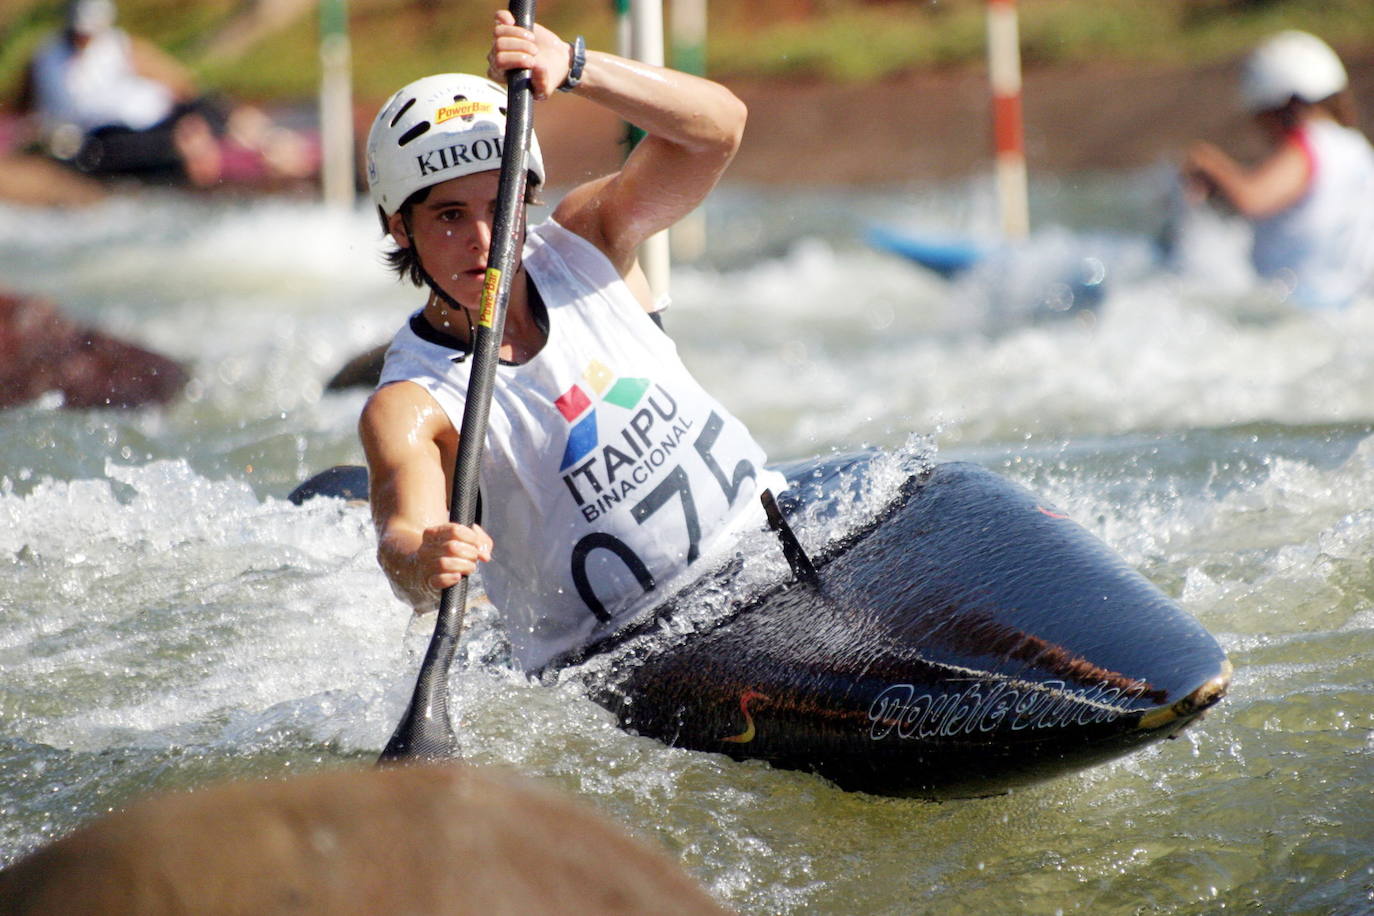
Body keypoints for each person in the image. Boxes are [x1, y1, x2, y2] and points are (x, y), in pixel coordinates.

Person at [359, 10, 786, 674]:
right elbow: (402, 537)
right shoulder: (412, 400)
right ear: (400, 229)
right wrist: (425, 561)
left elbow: (718, 128)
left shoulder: (589, 240)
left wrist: (578, 66)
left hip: (768, 547)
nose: (482, 237)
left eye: (499, 205)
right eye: (448, 215)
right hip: (632, 657)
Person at [15, 0, 313, 187]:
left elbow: (181, 83)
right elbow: (25, 107)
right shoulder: (43, 56)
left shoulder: (121, 46)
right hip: (103, 138)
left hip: (159, 119)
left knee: (210, 112)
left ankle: (274, 145)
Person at [1181, 30, 1374, 310]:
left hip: (1305, 304)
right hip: (1352, 302)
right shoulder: (1358, 149)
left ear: (1275, 107)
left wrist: (1210, 164)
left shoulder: (1306, 147)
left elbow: (1253, 198)